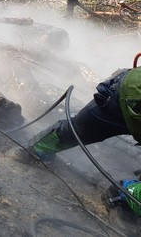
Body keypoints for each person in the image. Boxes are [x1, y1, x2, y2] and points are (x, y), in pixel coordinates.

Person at [17, 66, 141, 217]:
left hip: (132, 95)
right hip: (128, 96)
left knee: (80, 129)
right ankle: (36, 149)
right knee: (79, 129)